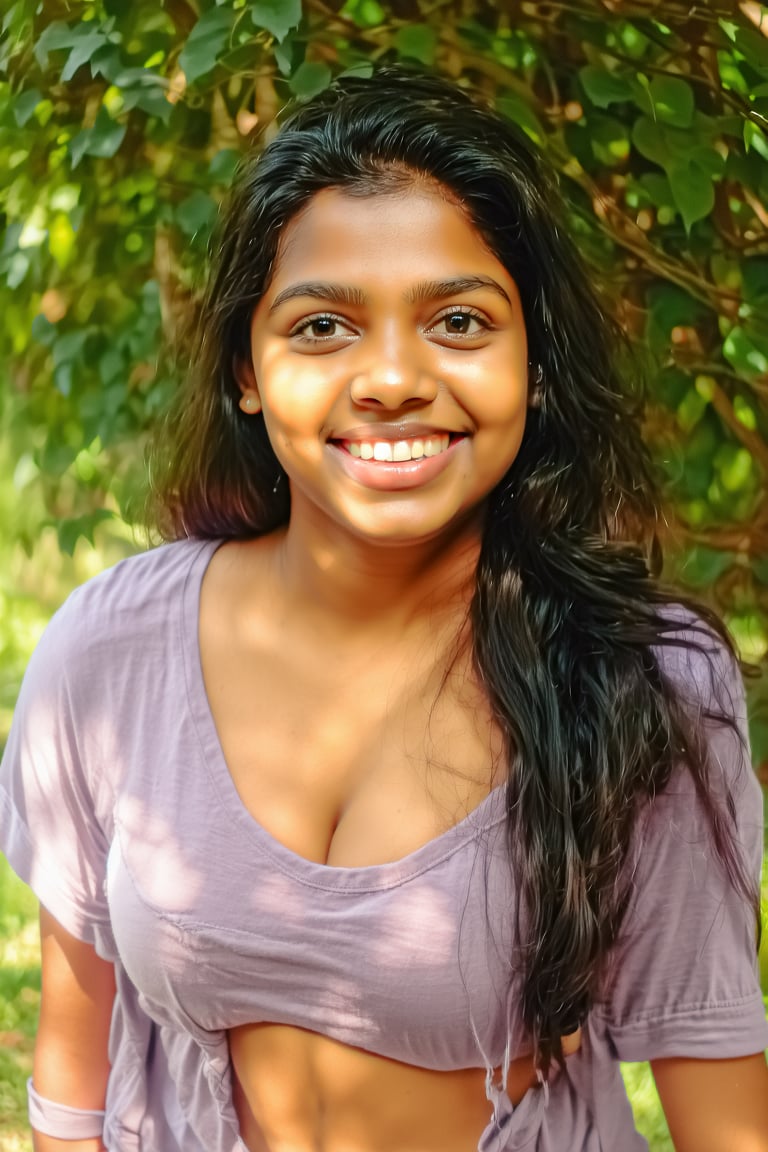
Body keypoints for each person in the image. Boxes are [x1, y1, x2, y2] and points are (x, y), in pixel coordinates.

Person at [1, 66, 767, 1152]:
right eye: (323, 327)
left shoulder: (648, 682)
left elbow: (729, 1128)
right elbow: (71, 1078)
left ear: (533, 363)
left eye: (459, 319)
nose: (392, 378)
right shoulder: (111, 652)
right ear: (246, 370)